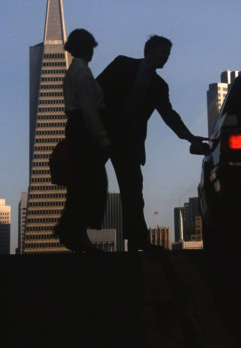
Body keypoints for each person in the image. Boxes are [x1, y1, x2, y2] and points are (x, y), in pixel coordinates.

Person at [97, 35, 205, 251]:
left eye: (168, 53)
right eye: (164, 52)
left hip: (128, 143)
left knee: (133, 192)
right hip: (101, 133)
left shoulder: (159, 85)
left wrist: (189, 136)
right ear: (150, 50)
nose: (166, 57)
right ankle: (76, 231)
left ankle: (138, 239)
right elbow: (96, 90)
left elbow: (168, 115)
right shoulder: (122, 64)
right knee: (90, 184)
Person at [54, 29, 111, 252]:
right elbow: (89, 110)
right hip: (85, 133)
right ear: (87, 49)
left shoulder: (73, 71)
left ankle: (71, 229)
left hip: (76, 130)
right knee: (92, 182)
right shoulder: (83, 73)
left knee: (80, 183)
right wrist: (103, 138)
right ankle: (72, 229)